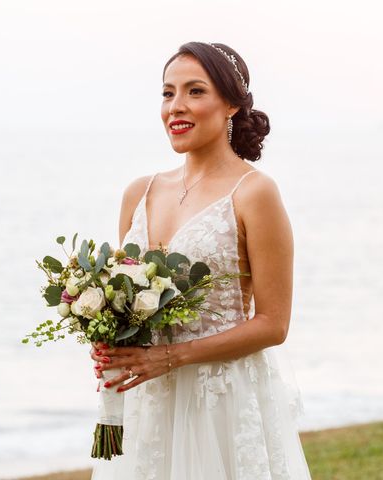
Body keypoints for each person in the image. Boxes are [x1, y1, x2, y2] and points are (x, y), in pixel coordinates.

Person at [89, 41, 312, 479]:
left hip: (221, 402)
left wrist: (173, 357)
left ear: (230, 104)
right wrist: (109, 337)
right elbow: (129, 301)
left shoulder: (254, 193)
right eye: (167, 92)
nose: (176, 106)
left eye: (194, 91)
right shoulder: (139, 192)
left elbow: (273, 323)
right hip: (150, 401)